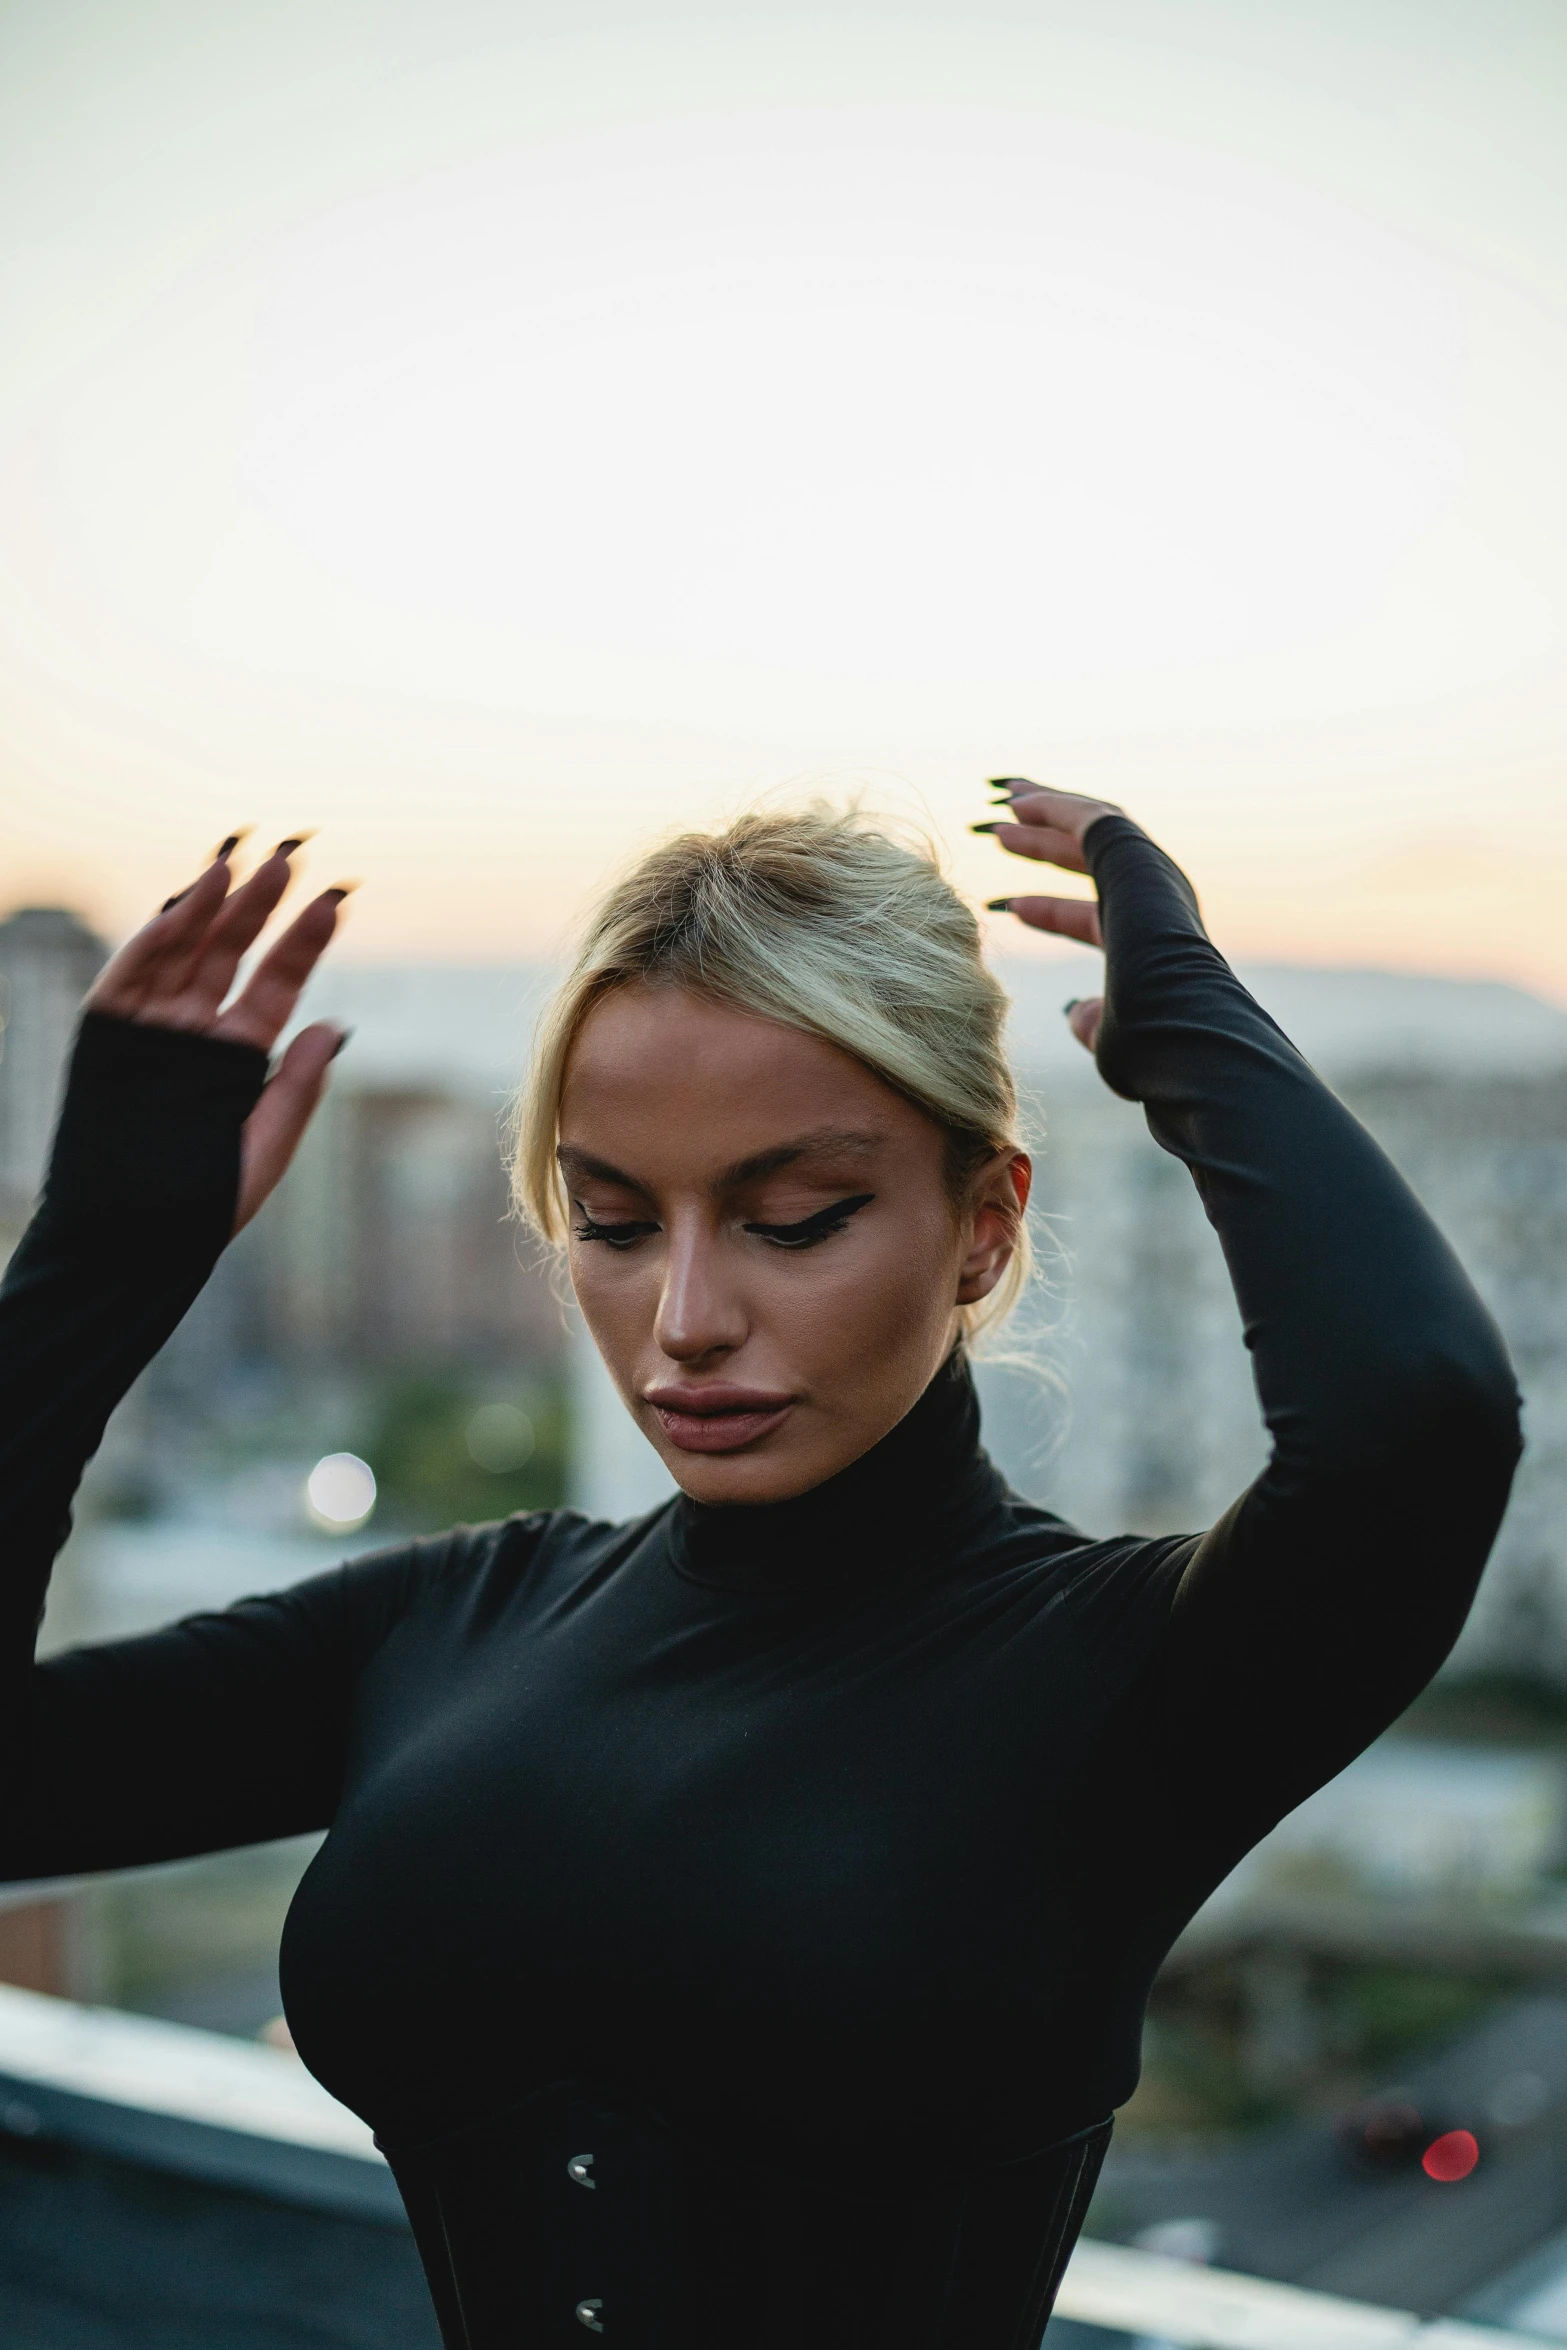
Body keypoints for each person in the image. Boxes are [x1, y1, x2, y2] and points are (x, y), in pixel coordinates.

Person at [0, 789, 1521, 2350]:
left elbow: (1415, 1417)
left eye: (793, 1219)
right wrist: (98, 1265)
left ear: (984, 1228)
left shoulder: (1120, 1673)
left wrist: (1192, 1032)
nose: (685, 1317)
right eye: (611, 1222)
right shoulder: (456, 1615)